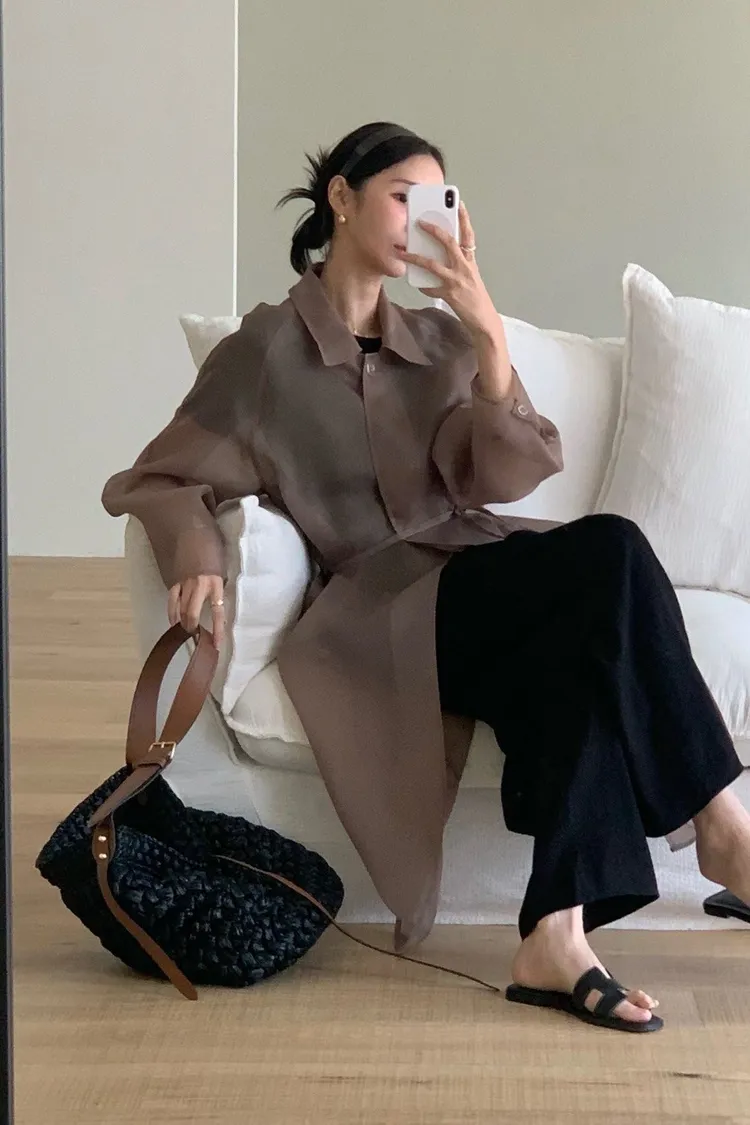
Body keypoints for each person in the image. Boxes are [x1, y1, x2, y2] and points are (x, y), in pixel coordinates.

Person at [103, 121, 750, 1033]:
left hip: (474, 574)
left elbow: (506, 475)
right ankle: (723, 829)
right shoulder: (265, 351)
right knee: (611, 550)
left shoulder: (439, 341)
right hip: (382, 610)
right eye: (402, 197)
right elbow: (160, 475)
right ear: (341, 198)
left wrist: (487, 334)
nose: (420, 220)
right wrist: (197, 550)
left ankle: (555, 935)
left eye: (437, 202)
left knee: (581, 649)